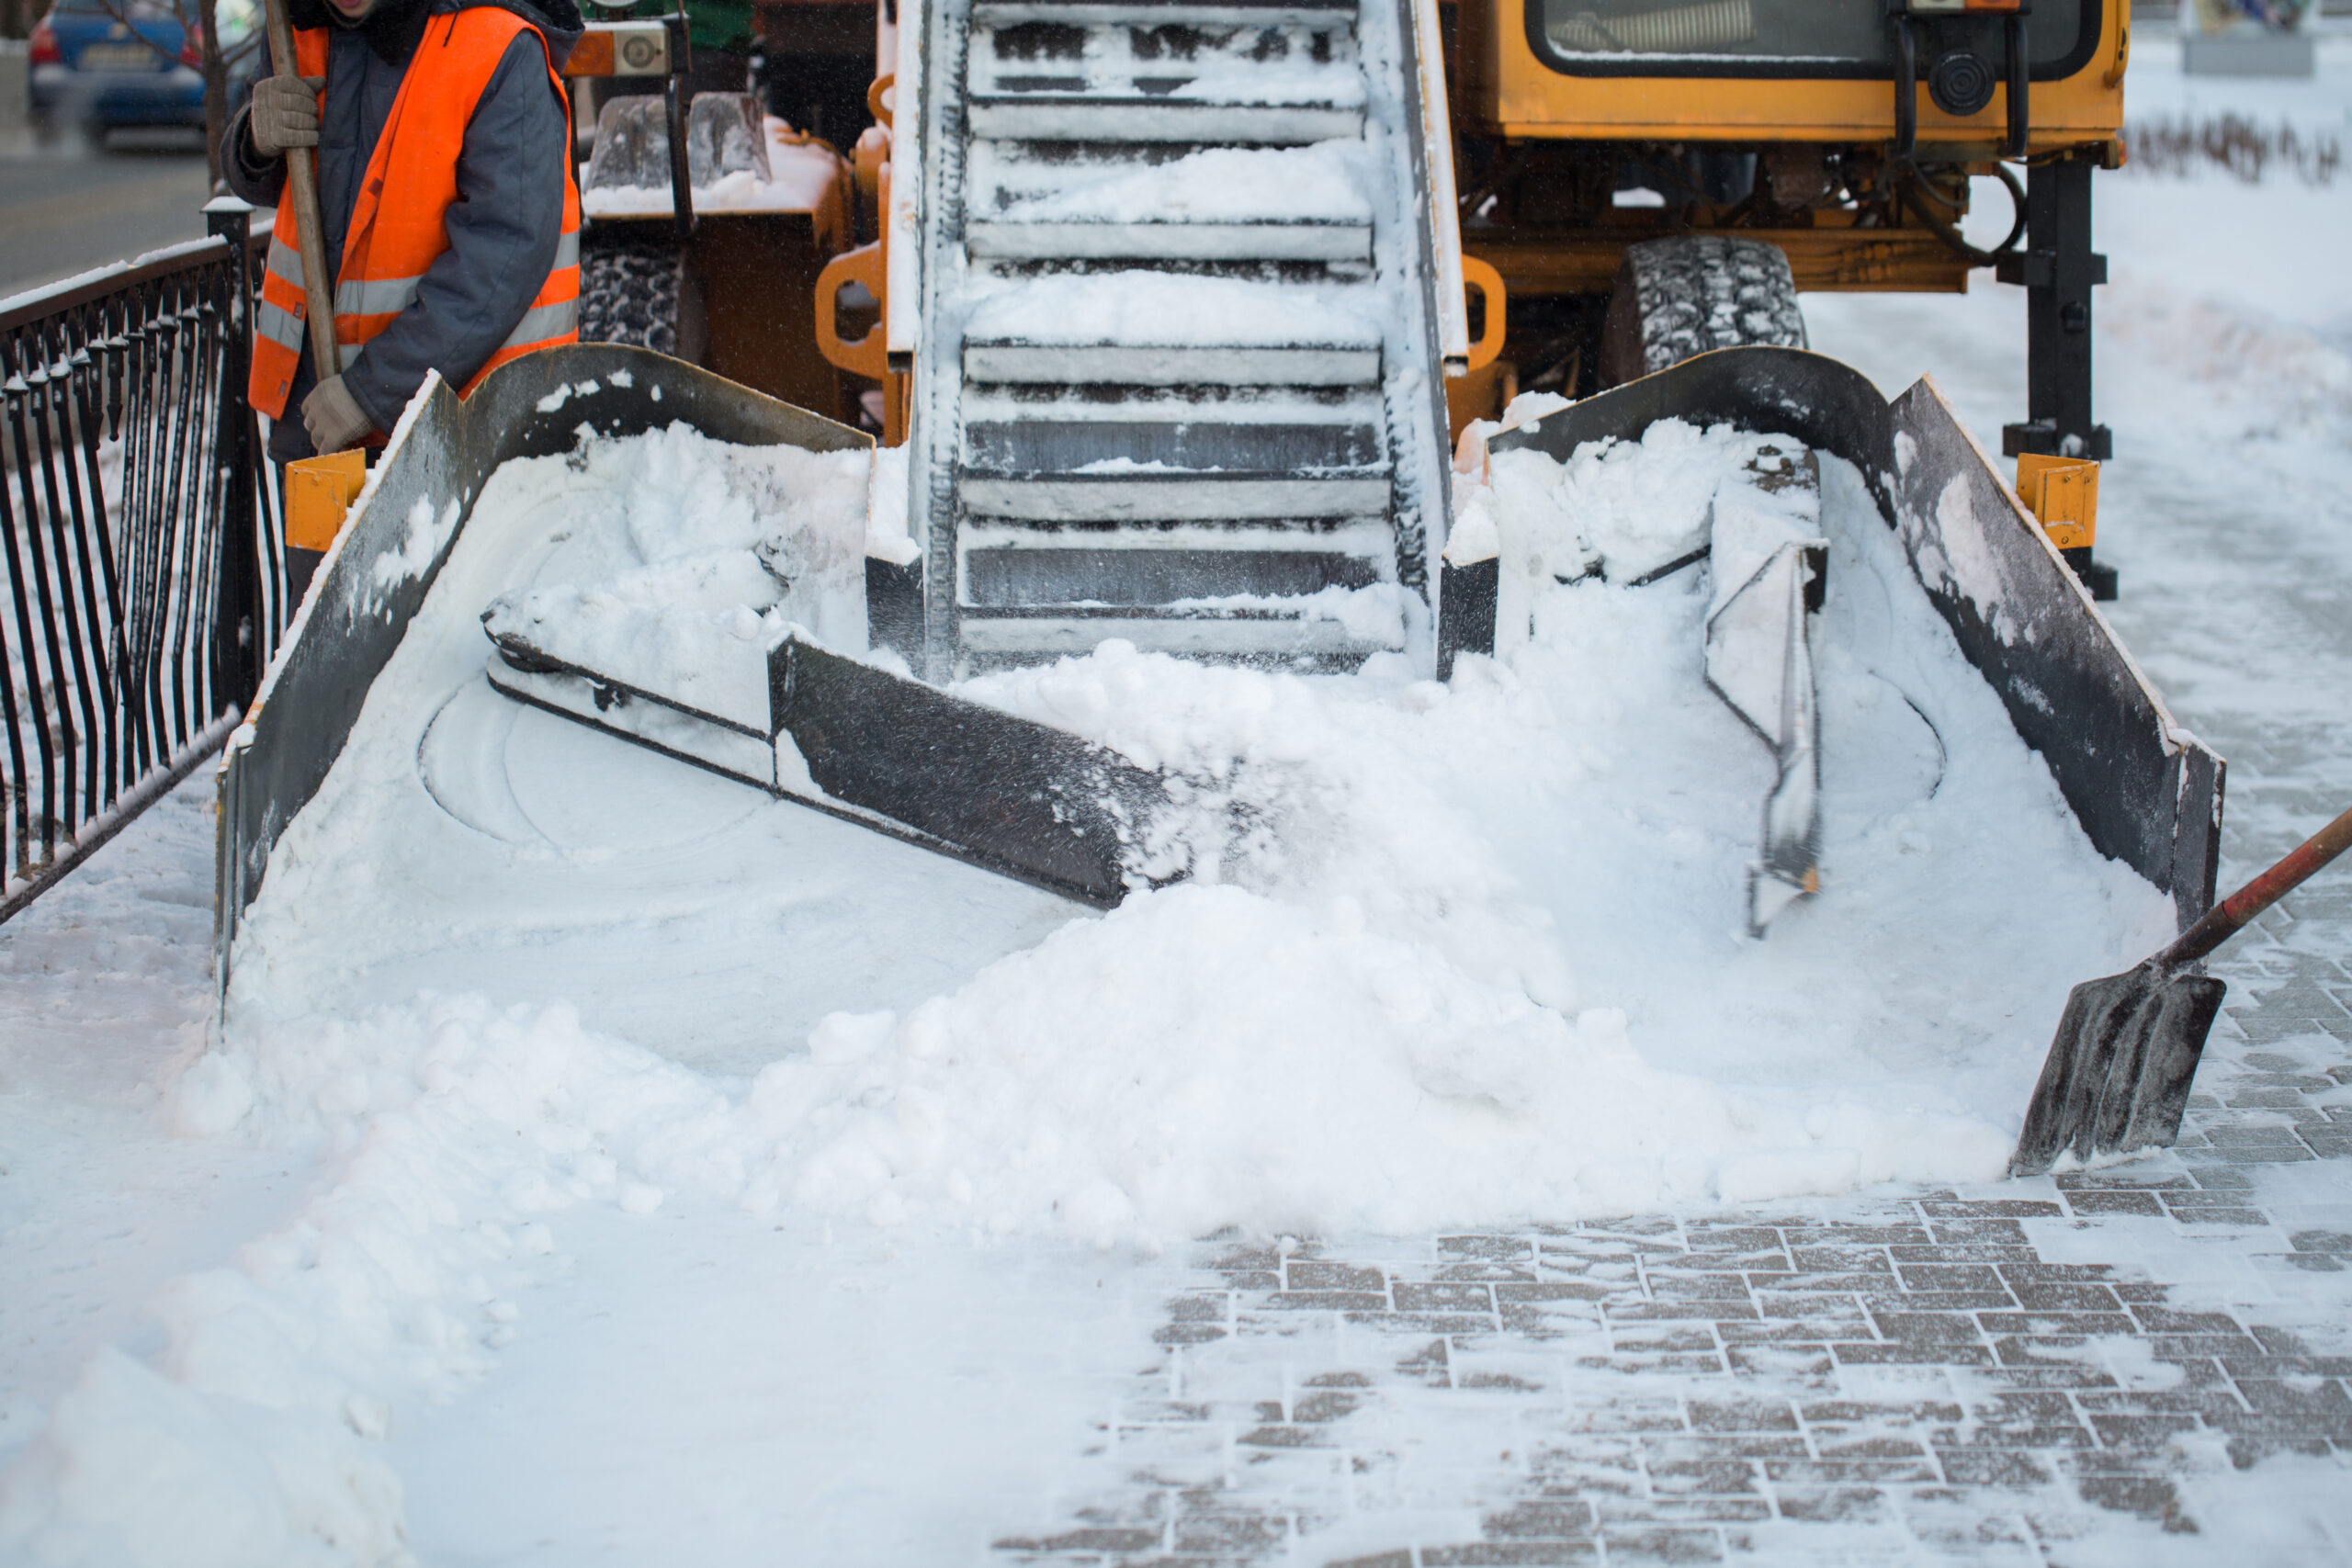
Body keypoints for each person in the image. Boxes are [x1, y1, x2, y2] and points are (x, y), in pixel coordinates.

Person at [221, 0, 585, 467]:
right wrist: (252, 142)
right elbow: (295, 186)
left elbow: (505, 250)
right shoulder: (301, 31)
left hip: (467, 436)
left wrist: (374, 392)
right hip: (319, 420)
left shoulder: (496, 45)